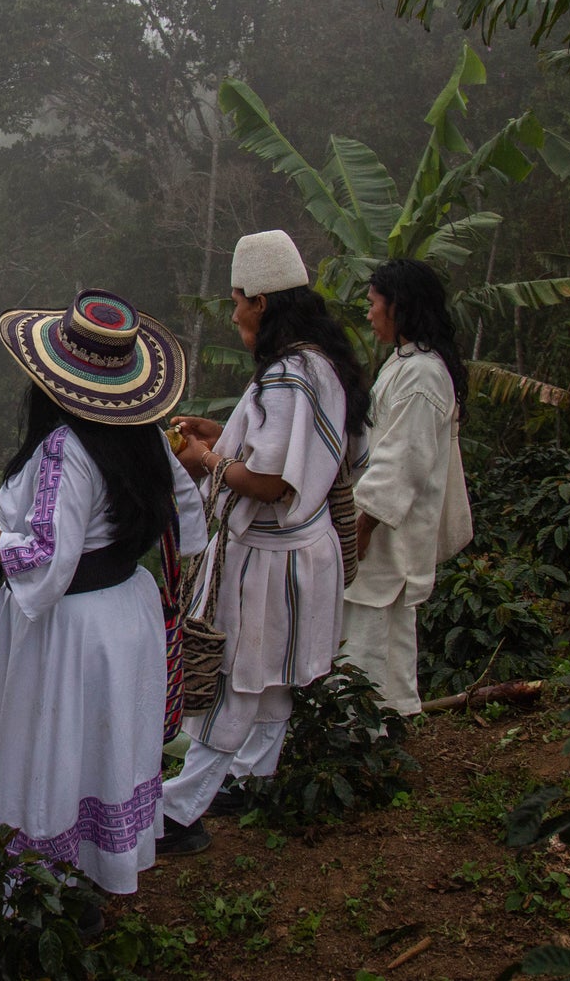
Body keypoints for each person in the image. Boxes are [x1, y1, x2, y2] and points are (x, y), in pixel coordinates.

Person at [0, 289, 206, 900]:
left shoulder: (64, 450)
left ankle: (46, 890)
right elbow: (187, 515)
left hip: (69, 627)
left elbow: (43, 558)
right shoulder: (145, 436)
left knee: (49, 746)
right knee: (104, 746)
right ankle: (100, 871)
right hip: (127, 612)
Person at [158, 230, 370, 855]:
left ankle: (179, 811)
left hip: (268, 559)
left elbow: (274, 480)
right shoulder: (320, 364)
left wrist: (207, 461)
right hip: (307, 552)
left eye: (238, 300)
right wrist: (220, 433)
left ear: (262, 301)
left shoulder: (285, 376)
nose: (234, 313)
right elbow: (299, 451)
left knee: (235, 680)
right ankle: (253, 776)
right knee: (272, 680)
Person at [341, 259, 474, 716]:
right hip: (383, 527)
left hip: (386, 530)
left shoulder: (422, 374)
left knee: (371, 634)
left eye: (373, 303)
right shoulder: (406, 365)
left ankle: (366, 731)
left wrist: (364, 521)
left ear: (397, 306)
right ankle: (387, 723)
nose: (369, 312)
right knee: (380, 634)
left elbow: (404, 460)